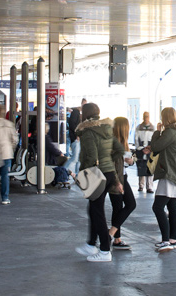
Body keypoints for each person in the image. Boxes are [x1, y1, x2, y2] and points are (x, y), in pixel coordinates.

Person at [73, 102, 116, 262]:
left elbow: (90, 156)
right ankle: (91, 244)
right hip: (109, 172)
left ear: (85, 115)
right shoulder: (107, 128)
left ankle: (105, 250)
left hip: (97, 174)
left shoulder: (88, 131)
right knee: (94, 208)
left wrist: (83, 175)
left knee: (97, 211)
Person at [150, 107, 176, 253]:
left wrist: (157, 131)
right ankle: (172, 240)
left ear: (165, 118)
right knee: (172, 207)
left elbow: (156, 147)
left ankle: (166, 240)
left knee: (157, 207)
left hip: (170, 174)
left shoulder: (170, 132)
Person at [108, 117, 137, 251]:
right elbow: (111, 165)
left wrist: (130, 161)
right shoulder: (114, 145)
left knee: (119, 207)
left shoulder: (120, 143)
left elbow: (122, 163)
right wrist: (118, 182)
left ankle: (116, 238)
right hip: (117, 179)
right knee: (129, 204)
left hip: (121, 177)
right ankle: (111, 234)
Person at [134, 112, 155, 192]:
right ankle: (141, 186)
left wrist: (150, 149)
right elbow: (136, 139)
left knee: (149, 168)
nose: (146, 118)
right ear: (143, 117)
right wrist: (141, 148)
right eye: (145, 116)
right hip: (141, 150)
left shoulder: (152, 128)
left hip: (149, 151)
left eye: (147, 116)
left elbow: (154, 139)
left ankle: (149, 187)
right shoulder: (139, 127)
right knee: (141, 168)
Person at [65, 99, 85, 173]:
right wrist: (77, 134)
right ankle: (63, 170)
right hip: (76, 138)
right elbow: (72, 124)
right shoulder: (76, 112)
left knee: (78, 158)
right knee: (75, 158)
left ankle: (78, 175)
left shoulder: (78, 113)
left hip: (77, 138)